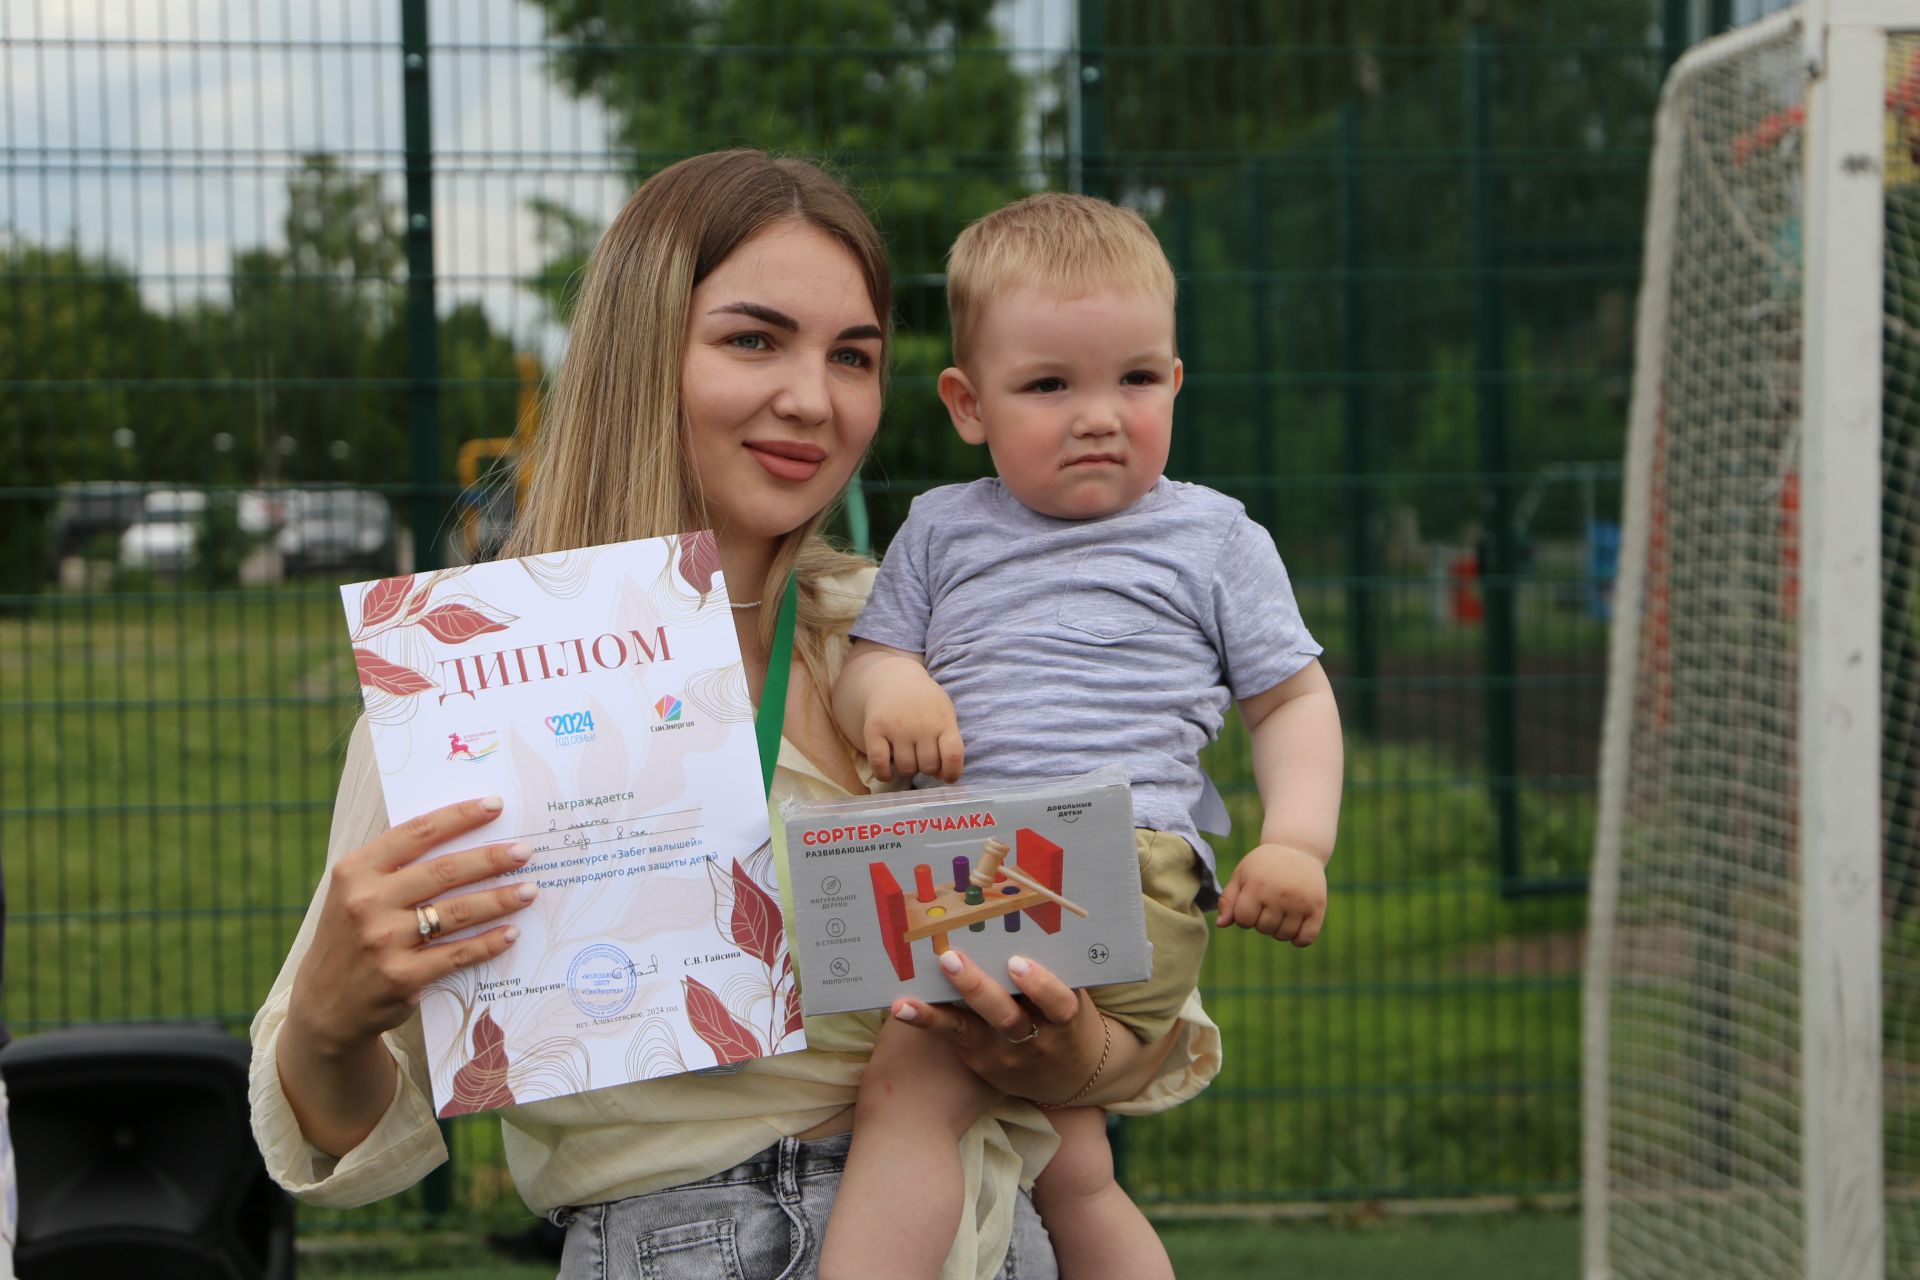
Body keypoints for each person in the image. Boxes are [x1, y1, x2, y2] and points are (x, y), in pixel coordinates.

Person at [246, 151, 1223, 1280]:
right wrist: (329, 1016)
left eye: (852, 356)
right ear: (641, 352)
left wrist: (1069, 1047)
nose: (814, 397)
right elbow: (349, 1128)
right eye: (754, 339)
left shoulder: (937, 642)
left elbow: (1138, 1011)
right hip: (681, 1242)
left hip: (992, 1229)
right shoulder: (484, 680)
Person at [820, 193, 1343, 1280]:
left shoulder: (1211, 537)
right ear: (968, 403)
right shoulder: (941, 528)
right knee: (1072, 1162)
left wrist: (1297, 841)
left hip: (1124, 858)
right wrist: (895, 688)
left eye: (1135, 379)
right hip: (968, 857)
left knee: (909, 1089)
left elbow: (1289, 699)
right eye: (1051, 384)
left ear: (1176, 381)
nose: (1099, 413)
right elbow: (867, 662)